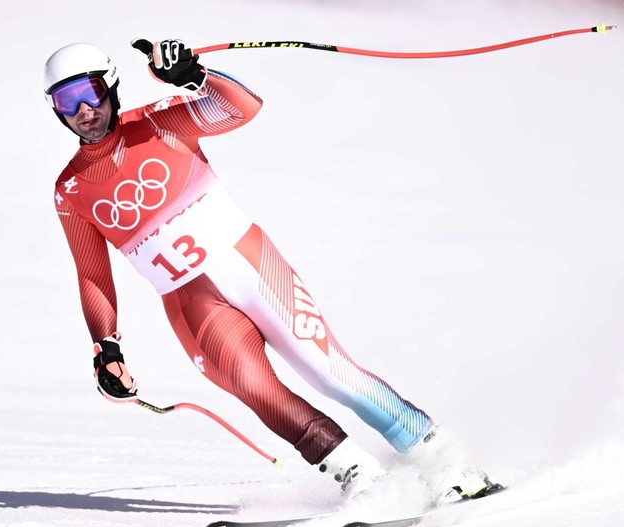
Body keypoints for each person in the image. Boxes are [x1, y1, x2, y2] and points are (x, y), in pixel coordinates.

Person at [43, 38, 500, 500]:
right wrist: (106, 347)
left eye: (91, 91)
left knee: (327, 371)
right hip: (190, 303)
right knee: (253, 387)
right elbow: (92, 274)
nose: (83, 109)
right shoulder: (70, 189)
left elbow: (243, 108)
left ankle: (445, 461)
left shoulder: (160, 122)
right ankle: (358, 474)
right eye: (66, 100)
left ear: (112, 88)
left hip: (249, 264)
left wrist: (195, 77)